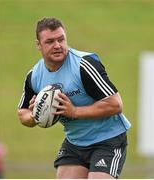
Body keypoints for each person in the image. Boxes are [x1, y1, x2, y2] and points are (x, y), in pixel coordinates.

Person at [17, 17, 131, 179]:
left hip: (108, 139)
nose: (57, 46)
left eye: (61, 40)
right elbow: (22, 113)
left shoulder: (83, 65)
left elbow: (115, 105)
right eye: (50, 41)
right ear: (38, 45)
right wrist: (36, 115)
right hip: (75, 142)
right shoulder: (34, 76)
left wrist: (74, 111)